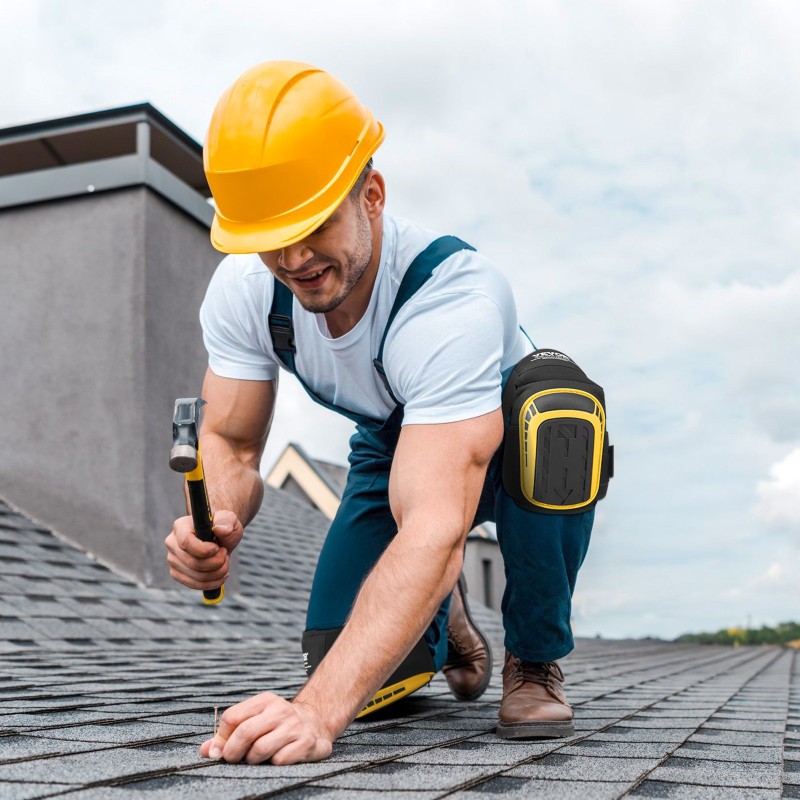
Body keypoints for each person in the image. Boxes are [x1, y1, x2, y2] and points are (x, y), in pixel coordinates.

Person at [164, 61, 595, 766]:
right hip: (399, 445)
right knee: (348, 658)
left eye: (314, 225)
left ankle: (535, 658)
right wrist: (218, 521)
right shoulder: (246, 289)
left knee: (559, 414)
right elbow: (230, 443)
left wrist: (315, 714)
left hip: (507, 435)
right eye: (274, 236)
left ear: (372, 195)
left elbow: (433, 523)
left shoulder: (452, 299)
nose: (295, 258)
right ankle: (444, 613)